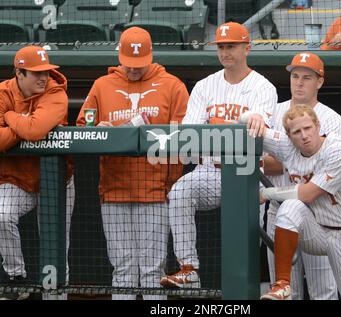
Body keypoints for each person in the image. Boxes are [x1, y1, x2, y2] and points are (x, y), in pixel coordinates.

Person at [160, 21, 277, 289]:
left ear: (247, 48)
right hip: (209, 170)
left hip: (246, 171)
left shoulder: (263, 87)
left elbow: (257, 133)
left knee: (243, 246)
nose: (225, 52)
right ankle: (188, 268)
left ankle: (244, 290)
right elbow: (191, 135)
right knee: (179, 193)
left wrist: (216, 131)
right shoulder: (204, 86)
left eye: (231, 46)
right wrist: (231, 130)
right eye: (221, 47)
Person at [76, 27, 189, 300]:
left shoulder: (172, 85)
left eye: (140, 64)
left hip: (154, 191)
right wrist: (98, 129)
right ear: (119, 56)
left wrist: (168, 184)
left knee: (152, 270)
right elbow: (82, 127)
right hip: (114, 191)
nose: (134, 69)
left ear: (151, 55)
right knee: (123, 269)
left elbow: (186, 140)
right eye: (129, 64)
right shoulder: (102, 85)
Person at [256, 104, 341, 300]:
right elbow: (254, 129)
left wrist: (268, 193)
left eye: (308, 128)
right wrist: (253, 116)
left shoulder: (339, 150)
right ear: (289, 135)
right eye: (297, 132)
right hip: (315, 231)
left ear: (318, 126)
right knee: (291, 206)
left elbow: (308, 193)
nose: (304, 135)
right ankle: (282, 284)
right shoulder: (288, 145)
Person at [264, 52, 341, 299]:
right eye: (295, 76)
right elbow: (262, 163)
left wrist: (285, 160)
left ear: (319, 82)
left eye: (307, 77)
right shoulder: (272, 112)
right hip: (278, 210)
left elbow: (321, 169)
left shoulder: (331, 119)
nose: (299, 82)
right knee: (284, 290)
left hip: (316, 215)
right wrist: (295, 159)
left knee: (324, 291)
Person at [0, 45, 74, 300]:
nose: (43, 77)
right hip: (17, 179)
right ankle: (16, 278)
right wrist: (22, 124)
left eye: (46, 71)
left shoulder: (55, 92)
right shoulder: (2, 92)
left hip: (55, 182)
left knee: (54, 250)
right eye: (35, 73)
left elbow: (34, 131)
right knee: (1, 215)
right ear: (19, 74)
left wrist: (9, 117)